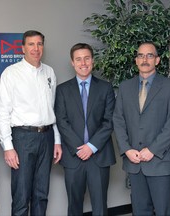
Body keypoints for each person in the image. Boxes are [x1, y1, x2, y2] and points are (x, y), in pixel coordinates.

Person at [0, 30, 62, 216]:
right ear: (23, 48)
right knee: (21, 193)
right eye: (31, 44)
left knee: (42, 193)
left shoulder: (49, 72)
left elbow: (52, 109)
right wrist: (7, 146)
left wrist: (56, 140)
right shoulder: (11, 73)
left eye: (39, 44)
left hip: (47, 137)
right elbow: (3, 112)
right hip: (23, 138)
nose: (36, 48)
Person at [113, 42, 170, 216]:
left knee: (163, 211)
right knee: (139, 210)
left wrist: (153, 149)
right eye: (141, 56)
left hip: (159, 161)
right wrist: (127, 149)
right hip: (134, 162)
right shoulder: (125, 87)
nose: (145, 59)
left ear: (157, 60)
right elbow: (118, 120)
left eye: (149, 55)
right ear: (136, 60)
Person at [55, 43, 116, 215]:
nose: (83, 63)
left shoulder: (105, 88)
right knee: (74, 206)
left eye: (87, 58)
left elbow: (109, 121)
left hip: (99, 155)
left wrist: (91, 146)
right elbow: (62, 121)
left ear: (93, 61)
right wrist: (79, 148)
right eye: (79, 59)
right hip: (73, 157)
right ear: (72, 63)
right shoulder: (62, 90)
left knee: (100, 206)